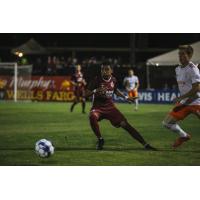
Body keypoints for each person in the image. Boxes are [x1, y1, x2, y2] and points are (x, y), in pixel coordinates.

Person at [85, 63, 156, 150]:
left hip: (110, 107)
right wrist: (96, 90)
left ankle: (145, 144)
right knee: (92, 116)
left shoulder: (113, 80)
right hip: (98, 107)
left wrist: (126, 97)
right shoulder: (96, 80)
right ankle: (100, 139)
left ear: (111, 71)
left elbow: (115, 91)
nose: (104, 71)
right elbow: (86, 94)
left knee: (125, 124)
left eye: (107, 69)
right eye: (102, 69)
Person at [162, 45, 200, 149]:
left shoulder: (193, 69)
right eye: (179, 54)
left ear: (190, 55)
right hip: (185, 102)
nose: (180, 56)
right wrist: (182, 99)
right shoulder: (177, 69)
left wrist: (180, 98)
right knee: (167, 123)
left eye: (182, 54)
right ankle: (184, 136)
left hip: (196, 102)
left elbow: (197, 89)